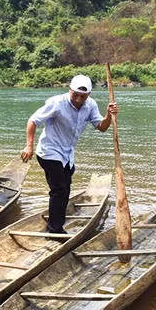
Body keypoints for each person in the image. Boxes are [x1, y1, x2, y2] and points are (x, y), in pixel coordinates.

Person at [20, 74, 118, 233]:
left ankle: (57, 219)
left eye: (83, 96)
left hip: (67, 155)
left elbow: (101, 127)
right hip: (49, 152)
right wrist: (28, 146)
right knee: (59, 189)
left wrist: (109, 115)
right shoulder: (57, 103)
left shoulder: (90, 105)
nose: (79, 99)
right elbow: (33, 121)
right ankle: (54, 229)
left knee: (65, 188)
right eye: (75, 95)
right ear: (69, 90)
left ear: (89, 95)